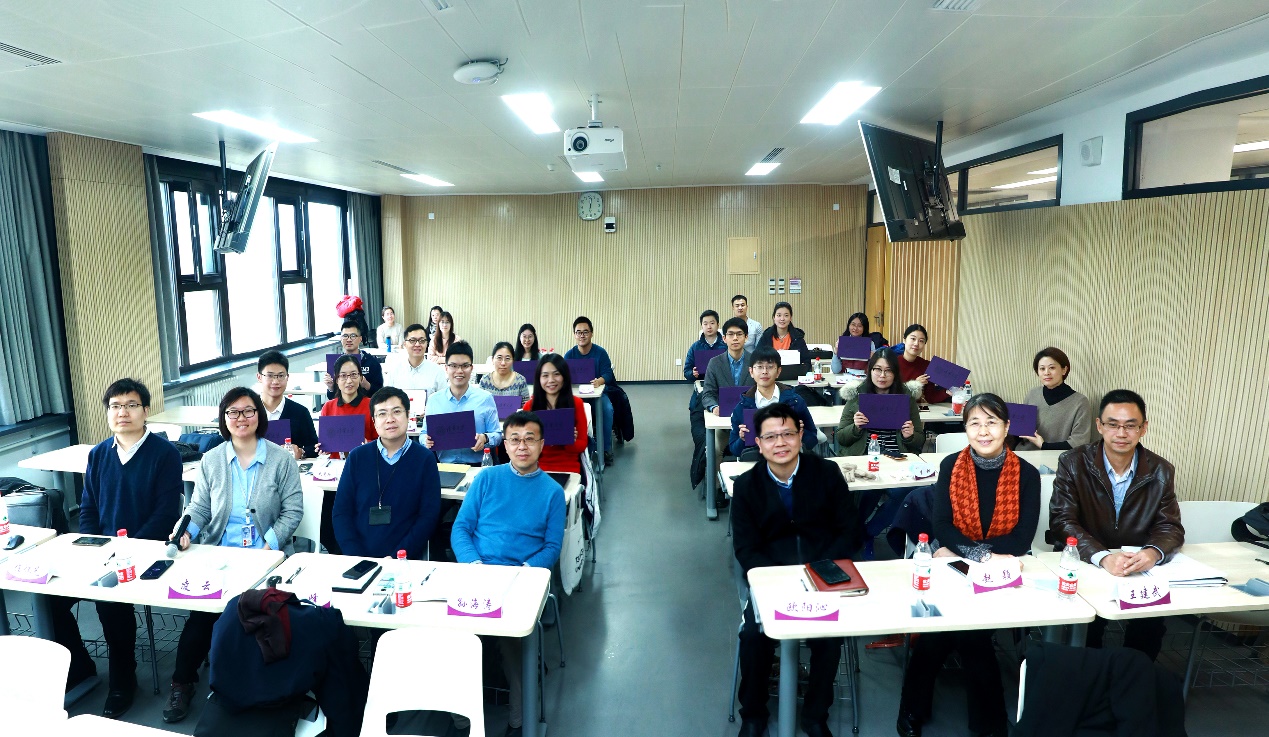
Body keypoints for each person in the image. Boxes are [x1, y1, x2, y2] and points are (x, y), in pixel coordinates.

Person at [896, 394, 1040, 737]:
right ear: (965, 428)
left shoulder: (1027, 474)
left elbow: (1021, 539)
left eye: (992, 422)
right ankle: (988, 725)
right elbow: (942, 526)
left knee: (957, 633)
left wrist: (968, 553)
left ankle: (914, 711)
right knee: (959, 633)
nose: (983, 431)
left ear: (1007, 427)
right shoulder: (951, 465)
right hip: (955, 567)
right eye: (975, 423)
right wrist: (979, 555)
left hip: (999, 571)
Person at [164, 387, 304, 724]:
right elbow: (199, 508)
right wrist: (185, 532)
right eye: (233, 412)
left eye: (248, 411)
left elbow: (293, 511)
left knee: (254, 615)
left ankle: (247, 688)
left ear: (259, 415)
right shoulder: (212, 460)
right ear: (224, 419)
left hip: (267, 558)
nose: (241, 418)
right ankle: (182, 683)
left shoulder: (281, 459)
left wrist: (268, 547)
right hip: (221, 556)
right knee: (201, 617)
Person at [49, 378, 182, 718]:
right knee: (50, 599)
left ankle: (123, 679)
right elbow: (88, 508)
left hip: (147, 551)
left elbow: (166, 514)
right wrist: (96, 547)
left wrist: (128, 550)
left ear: (145, 411)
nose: (123, 412)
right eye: (115, 406)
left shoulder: (165, 454)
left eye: (131, 405)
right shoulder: (98, 454)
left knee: (110, 599)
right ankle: (80, 668)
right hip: (103, 552)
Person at [731, 403, 862, 737]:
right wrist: (779, 579)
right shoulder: (746, 486)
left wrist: (820, 571)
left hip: (825, 574)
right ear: (758, 443)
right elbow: (746, 548)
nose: (781, 443)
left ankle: (816, 715)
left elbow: (850, 531)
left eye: (788, 434)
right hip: (771, 579)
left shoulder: (826, 473)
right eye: (771, 436)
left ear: (801, 435)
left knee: (829, 638)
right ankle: (753, 713)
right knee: (753, 637)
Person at [451, 410, 566, 737]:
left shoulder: (552, 492)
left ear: (541, 444)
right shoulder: (486, 479)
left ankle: (519, 721)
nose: (522, 446)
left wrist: (523, 573)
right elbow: (461, 529)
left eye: (530, 439)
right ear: (506, 444)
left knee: (513, 646)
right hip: (478, 573)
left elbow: (552, 547)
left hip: (520, 579)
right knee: (453, 639)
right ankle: (460, 720)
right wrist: (475, 565)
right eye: (515, 439)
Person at [1049, 389, 1183, 661]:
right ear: (1099, 426)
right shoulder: (1073, 462)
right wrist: (1102, 556)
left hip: (1135, 567)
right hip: (1086, 561)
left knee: (1150, 625)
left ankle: (1133, 677)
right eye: (1113, 424)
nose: (1121, 433)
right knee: (1088, 628)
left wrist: (1152, 552)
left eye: (1130, 425)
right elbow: (1062, 519)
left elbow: (1170, 526)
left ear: (1143, 428)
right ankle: (1091, 679)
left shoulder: (1161, 470)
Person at [333, 387, 441, 559]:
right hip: (359, 558)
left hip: (404, 558)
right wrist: (356, 556)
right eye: (382, 414)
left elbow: (428, 515)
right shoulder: (357, 457)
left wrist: (398, 555)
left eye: (396, 412)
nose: (390, 419)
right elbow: (341, 512)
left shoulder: (424, 459)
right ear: (374, 421)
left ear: (408, 415)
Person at [836, 350, 927, 555]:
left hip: (897, 459)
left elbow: (919, 440)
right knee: (871, 487)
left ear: (895, 373)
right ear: (870, 371)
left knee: (906, 493)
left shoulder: (906, 399)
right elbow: (841, 437)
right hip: (865, 458)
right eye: (877, 369)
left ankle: (868, 532)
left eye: (888, 370)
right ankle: (857, 530)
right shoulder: (857, 396)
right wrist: (855, 427)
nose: (882, 375)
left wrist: (909, 435)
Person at [421, 341, 502, 465]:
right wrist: (425, 440)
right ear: (446, 368)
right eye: (453, 366)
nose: (459, 371)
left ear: (472, 368)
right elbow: (423, 433)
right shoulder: (434, 400)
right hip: (445, 467)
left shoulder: (485, 398)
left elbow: (497, 435)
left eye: (465, 366)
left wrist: (485, 438)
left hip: (477, 467)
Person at [729, 346, 818, 460]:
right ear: (751, 371)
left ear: (778, 371)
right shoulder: (742, 407)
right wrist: (742, 439)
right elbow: (734, 450)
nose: (764, 371)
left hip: (788, 460)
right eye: (759, 367)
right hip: (755, 461)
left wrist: (801, 433)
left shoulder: (795, 401)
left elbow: (812, 440)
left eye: (770, 367)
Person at [1015, 347, 1093, 451]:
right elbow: (1021, 431)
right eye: (1042, 369)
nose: (1046, 372)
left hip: (1056, 457)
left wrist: (1044, 446)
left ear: (1064, 370)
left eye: (1052, 368)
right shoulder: (1032, 394)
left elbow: (1080, 442)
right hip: (1024, 453)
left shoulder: (1080, 402)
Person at [523, 354, 589, 474]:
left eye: (556, 374)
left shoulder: (576, 404)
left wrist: (570, 441)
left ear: (564, 376)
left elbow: (582, 444)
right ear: (538, 378)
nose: (551, 380)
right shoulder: (529, 406)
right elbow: (524, 447)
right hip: (536, 465)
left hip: (567, 466)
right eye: (545, 375)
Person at [564, 316, 616, 466]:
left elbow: (608, 373)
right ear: (574, 334)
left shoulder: (600, 352)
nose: (582, 335)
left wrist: (600, 380)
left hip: (598, 395)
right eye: (578, 332)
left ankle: (605, 449)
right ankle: (573, 448)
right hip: (576, 396)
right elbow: (562, 375)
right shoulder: (569, 355)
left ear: (591, 333)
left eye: (585, 332)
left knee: (607, 409)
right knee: (565, 410)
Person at [686, 310, 725, 489]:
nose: (709, 326)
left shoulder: (725, 345)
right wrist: (692, 373)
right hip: (702, 387)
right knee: (699, 419)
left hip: (722, 389)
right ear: (701, 326)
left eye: (712, 323)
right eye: (705, 323)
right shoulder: (695, 347)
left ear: (718, 325)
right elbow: (687, 371)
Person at [256, 351, 318, 459]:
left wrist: (301, 452)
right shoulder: (248, 410)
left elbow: (314, 447)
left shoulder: (300, 412)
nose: (275, 381)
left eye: (281, 376)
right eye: (270, 376)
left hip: (289, 467)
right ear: (259, 377)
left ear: (287, 377)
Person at [320, 354, 378, 453]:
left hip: (363, 458)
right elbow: (325, 442)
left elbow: (383, 442)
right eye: (343, 376)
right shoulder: (328, 407)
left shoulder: (372, 406)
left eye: (353, 375)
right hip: (335, 461)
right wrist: (323, 448)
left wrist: (368, 444)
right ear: (336, 380)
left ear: (360, 377)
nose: (349, 381)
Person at [382, 322, 447, 401]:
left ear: (427, 344)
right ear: (405, 344)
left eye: (422, 340)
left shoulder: (438, 372)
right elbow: (386, 399)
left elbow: (444, 401)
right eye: (412, 340)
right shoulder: (394, 371)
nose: (417, 344)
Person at [323, 319, 383, 400]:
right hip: (342, 405)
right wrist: (331, 388)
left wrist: (367, 385)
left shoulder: (372, 362)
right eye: (345, 336)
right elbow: (332, 398)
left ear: (360, 339)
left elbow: (380, 395)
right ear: (341, 339)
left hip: (366, 404)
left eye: (353, 336)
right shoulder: (336, 362)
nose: (349, 339)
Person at [893, 324, 951, 404]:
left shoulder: (926, 365)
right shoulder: (892, 363)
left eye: (921, 341)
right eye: (913, 339)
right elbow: (890, 393)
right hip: (895, 406)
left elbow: (930, 397)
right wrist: (915, 384)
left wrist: (947, 392)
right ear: (904, 340)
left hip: (915, 408)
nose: (916, 343)